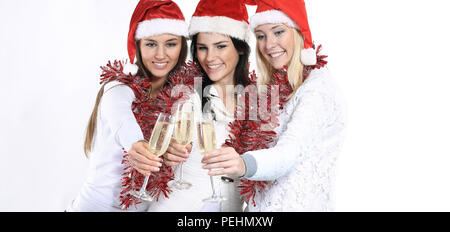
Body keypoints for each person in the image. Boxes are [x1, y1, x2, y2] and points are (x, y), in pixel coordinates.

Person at [201, 0, 347, 211]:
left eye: (278, 32)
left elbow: (288, 153)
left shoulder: (317, 88)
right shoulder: (269, 89)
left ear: (297, 32)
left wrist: (243, 164)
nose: (269, 44)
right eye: (261, 35)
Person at [66, 0, 191, 212]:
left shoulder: (180, 97)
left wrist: (178, 151)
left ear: (181, 46)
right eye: (151, 44)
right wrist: (137, 144)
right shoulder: (118, 88)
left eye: (170, 43)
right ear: (138, 46)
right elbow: (120, 117)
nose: (161, 54)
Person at [131, 0, 252, 212]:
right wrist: (170, 150)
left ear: (240, 48)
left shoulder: (258, 99)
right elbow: (167, 136)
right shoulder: (186, 94)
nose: (210, 57)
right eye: (202, 48)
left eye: (220, 46)